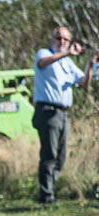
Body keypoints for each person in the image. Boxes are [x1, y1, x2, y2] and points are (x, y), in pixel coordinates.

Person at [32, 27, 98, 204]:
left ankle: (49, 191)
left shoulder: (68, 63)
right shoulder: (44, 53)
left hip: (62, 113)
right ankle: (46, 196)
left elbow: (83, 82)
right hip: (47, 111)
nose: (61, 42)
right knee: (50, 153)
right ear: (51, 38)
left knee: (60, 156)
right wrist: (68, 52)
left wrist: (90, 64)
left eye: (65, 39)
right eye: (58, 38)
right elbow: (43, 63)